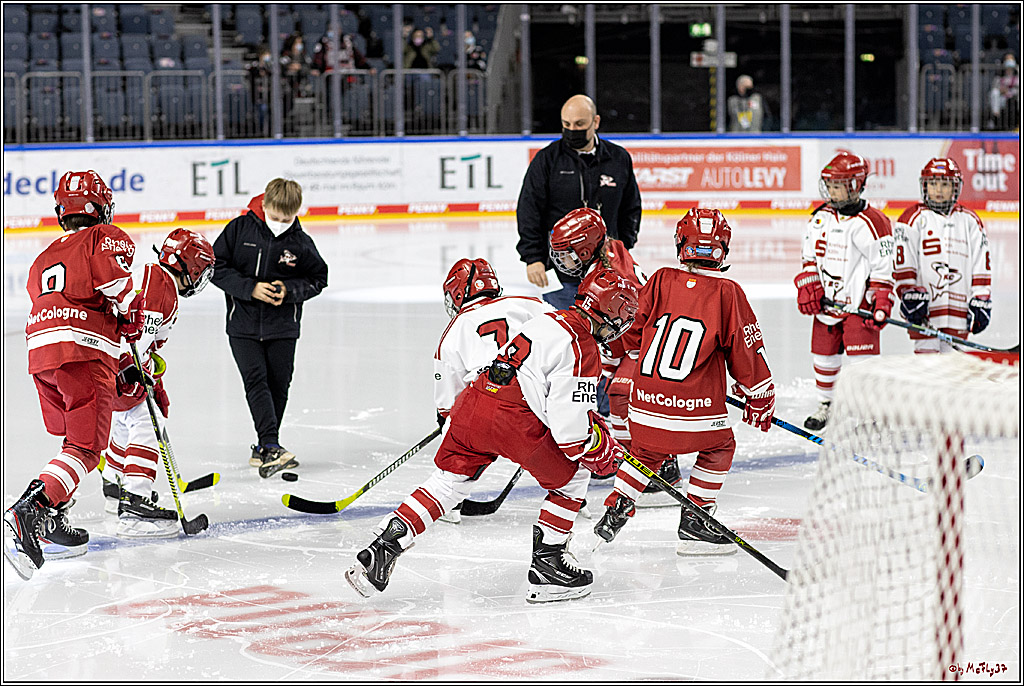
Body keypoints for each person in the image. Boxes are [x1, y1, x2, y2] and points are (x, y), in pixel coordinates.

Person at [345, 269, 638, 604]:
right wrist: (599, 450)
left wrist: (585, 421)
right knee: (573, 475)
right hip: (515, 419)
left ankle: (383, 547)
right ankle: (548, 566)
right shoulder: (578, 342)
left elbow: (551, 393)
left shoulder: (551, 319)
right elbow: (570, 436)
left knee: (448, 483)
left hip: (474, 400)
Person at [593, 208, 776, 555]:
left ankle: (618, 503)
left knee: (645, 451)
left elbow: (630, 332)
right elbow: (746, 350)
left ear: (681, 244)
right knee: (719, 447)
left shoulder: (661, 279)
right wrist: (758, 395)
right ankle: (696, 517)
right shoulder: (728, 292)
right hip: (695, 410)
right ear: (723, 248)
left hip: (644, 407)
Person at [4, 170, 145, 580]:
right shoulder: (105, 236)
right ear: (100, 207)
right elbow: (116, 283)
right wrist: (131, 320)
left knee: (72, 441)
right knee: (86, 448)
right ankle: (34, 507)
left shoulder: (43, 255)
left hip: (41, 354)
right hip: (82, 352)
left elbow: (47, 297)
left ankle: (53, 522)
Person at [547, 207, 679, 503]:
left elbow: (628, 324)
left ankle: (655, 463)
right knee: (612, 391)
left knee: (621, 393)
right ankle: (647, 460)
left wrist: (607, 363)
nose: (562, 262)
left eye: (568, 254)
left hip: (647, 342)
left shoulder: (608, 275)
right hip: (635, 340)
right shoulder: (608, 251)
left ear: (585, 249)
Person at [100, 229, 215, 537]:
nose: (201, 279)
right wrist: (139, 372)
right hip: (116, 362)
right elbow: (138, 340)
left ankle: (114, 485)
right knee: (150, 422)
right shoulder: (161, 287)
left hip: (105, 359)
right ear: (188, 266)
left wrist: (150, 372)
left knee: (126, 418)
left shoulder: (152, 277)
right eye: (201, 272)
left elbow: (144, 343)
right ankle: (134, 504)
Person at [211, 178, 329, 478]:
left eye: (287, 219)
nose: (280, 223)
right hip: (243, 325)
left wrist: (288, 291)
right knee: (256, 382)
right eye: (275, 217)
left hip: (283, 327)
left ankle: (265, 447)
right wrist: (250, 288)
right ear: (263, 205)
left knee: (279, 385)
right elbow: (215, 267)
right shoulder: (239, 230)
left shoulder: (300, 242)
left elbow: (318, 278)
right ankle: (270, 444)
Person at [433, 258, 554, 522]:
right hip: (543, 397)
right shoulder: (531, 304)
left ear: (456, 293)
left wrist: (446, 421)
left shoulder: (455, 328)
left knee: (455, 431)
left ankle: (450, 501)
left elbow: (449, 401)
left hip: (490, 405)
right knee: (566, 445)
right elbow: (567, 337)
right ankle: (575, 501)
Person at [793, 152, 895, 430]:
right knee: (823, 354)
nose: (832, 191)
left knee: (863, 360)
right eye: (830, 185)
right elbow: (808, 257)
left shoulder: (875, 223)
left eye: (838, 186)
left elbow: (883, 268)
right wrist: (809, 284)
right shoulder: (820, 218)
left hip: (858, 304)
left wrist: (882, 300)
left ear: (856, 185)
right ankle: (827, 404)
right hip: (827, 304)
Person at [516, 94, 642, 311]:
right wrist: (533, 257)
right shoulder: (547, 160)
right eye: (566, 124)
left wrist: (623, 246)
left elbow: (631, 208)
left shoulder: (618, 158)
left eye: (579, 124)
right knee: (570, 329)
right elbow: (529, 211)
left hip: (610, 268)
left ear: (596, 122)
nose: (572, 129)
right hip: (563, 270)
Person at [893, 158, 992, 353]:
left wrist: (981, 297)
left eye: (945, 184)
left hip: (959, 311)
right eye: (933, 184)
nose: (938, 190)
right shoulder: (912, 218)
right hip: (925, 310)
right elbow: (904, 262)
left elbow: (981, 263)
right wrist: (908, 293)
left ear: (955, 187)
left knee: (954, 372)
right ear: (925, 186)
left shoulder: (970, 221)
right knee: (927, 367)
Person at [988, 53, 1019, 130]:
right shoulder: (999, 74)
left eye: (1011, 59)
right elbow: (995, 86)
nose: (1009, 61)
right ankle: (995, 116)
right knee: (994, 93)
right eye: (1007, 59)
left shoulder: (1018, 71)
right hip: (1003, 96)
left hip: (1015, 94)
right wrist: (1001, 89)